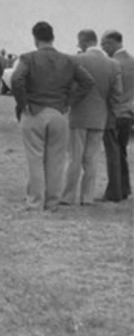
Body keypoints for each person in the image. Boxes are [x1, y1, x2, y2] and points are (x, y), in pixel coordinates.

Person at [10, 21, 94, 212]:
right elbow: (88, 81)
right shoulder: (69, 60)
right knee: (56, 161)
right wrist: (70, 101)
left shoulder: (28, 58)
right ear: (53, 37)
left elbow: (17, 79)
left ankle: (35, 201)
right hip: (59, 113)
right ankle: (52, 202)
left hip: (34, 112)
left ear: (35, 38)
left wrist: (23, 103)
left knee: (35, 159)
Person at [60, 29, 122, 206]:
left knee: (74, 158)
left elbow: (67, 85)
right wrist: (107, 110)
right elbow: (117, 94)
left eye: (79, 43)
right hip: (100, 117)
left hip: (78, 114)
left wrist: (69, 102)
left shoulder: (76, 60)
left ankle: (68, 196)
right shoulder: (113, 64)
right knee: (92, 159)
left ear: (84, 43)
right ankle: (87, 197)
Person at [100, 30, 134, 202]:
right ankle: (124, 188)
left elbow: (108, 90)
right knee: (122, 152)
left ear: (113, 43)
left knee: (113, 154)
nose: (103, 48)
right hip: (128, 113)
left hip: (113, 114)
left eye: (104, 44)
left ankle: (114, 192)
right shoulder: (132, 61)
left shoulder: (112, 63)